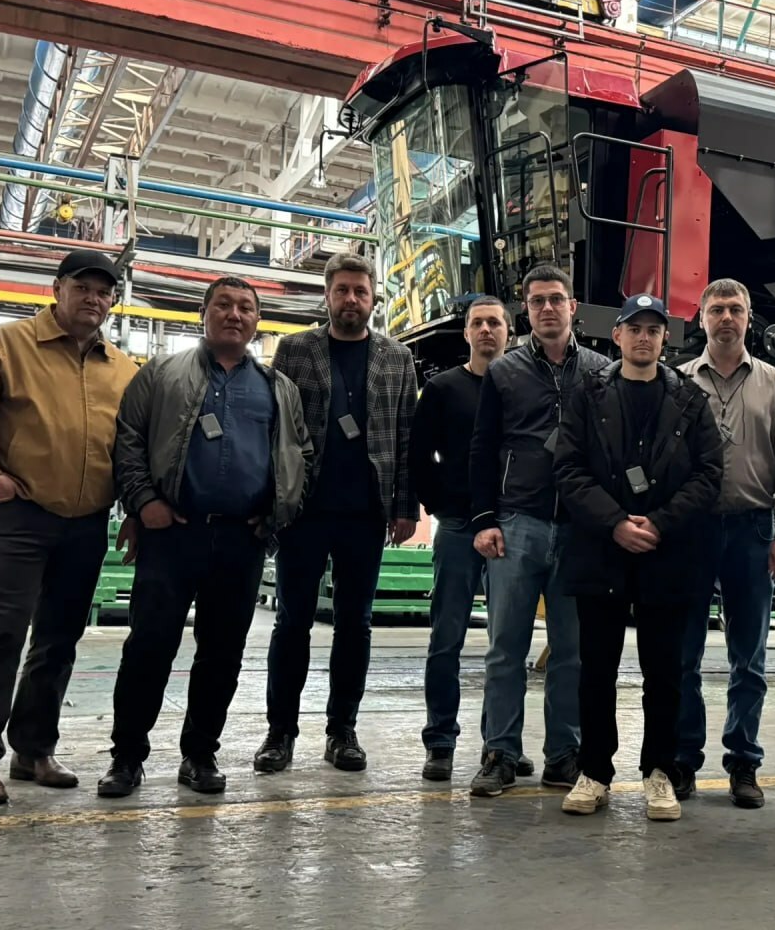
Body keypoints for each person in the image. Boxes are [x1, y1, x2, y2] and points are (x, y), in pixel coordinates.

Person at [97, 277, 312, 797]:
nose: (235, 314)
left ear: (257, 320)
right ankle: (127, 757)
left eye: (245, 308)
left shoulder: (278, 388)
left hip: (241, 540)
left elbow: (300, 454)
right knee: (149, 647)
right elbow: (128, 438)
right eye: (224, 305)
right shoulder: (160, 373)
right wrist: (143, 501)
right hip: (172, 535)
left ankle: (200, 754)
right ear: (204, 313)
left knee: (222, 654)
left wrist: (277, 512)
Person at [0, 249, 138, 804]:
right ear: (57, 289)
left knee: (58, 638)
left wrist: (131, 507)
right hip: (21, 515)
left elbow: (132, 446)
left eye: (103, 292)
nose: (93, 299)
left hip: (87, 522)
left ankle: (33, 749)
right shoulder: (7, 346)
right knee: (1, 632)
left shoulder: (122, 369)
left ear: (112, 301)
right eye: (83, 288)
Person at [554, 294, 722, 821]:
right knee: (596, 670)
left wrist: (660, 523)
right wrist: (615, 522)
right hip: (601, 550)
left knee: (665, 673)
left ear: (664, 338)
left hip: (666, 553)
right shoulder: (587, 394)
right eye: (635, 328)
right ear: (618, 336)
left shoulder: (691, 400)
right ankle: (594, 772)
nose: (644, 337)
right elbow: (568, 469)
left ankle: (659, 773)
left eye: (653, 329)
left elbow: (709, 474)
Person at [255, 252, 419, 774]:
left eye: (360, 291)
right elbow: (274, 428)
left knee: (355, 624)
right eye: (342, 290)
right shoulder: (295, 350)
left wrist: (405, 506)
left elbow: (407, 436)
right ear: (327, 296)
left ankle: (342, 730)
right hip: (304, 511)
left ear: (373, 299)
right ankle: (280, 732)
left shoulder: (397, 357)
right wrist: (272, 500)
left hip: (366, 513)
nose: (351, 299)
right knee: (292, 622)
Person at [466, 264, 609, 797]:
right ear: (525, 311)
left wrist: (604, 523)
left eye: (556, 299)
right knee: (506, 648)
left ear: (573, 307)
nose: (547, 308)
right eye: (536, 301)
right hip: (517, 523)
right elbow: (483, 448)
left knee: (571, 651)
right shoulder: (504, 372)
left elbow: (609, 453)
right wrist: (484, 519)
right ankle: (500, 753)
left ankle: (563, 755)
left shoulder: (600, 371)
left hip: (577, 530)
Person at [674, 278, 775, 807]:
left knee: (749, 656)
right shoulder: (678, 382)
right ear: (701, 318)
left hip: (753, 530)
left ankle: (743, 761)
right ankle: (683, 759)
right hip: (692, 532)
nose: (726, 318)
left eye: (736, 309)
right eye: (717, 309)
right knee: (684, 655)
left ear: (749, 318)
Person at [410, 295, 532, 782]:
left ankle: (499, 744)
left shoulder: (522, 386)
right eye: (477, 323)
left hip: (511, 525)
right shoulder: (443, 389)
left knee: (507, 643)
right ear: (466, 333)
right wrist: (442, 505)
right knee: (447, 638)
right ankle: (440, 741)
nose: (486, 330)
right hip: (461, 527)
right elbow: (420, 456)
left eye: (494, 323)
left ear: (508, 332)